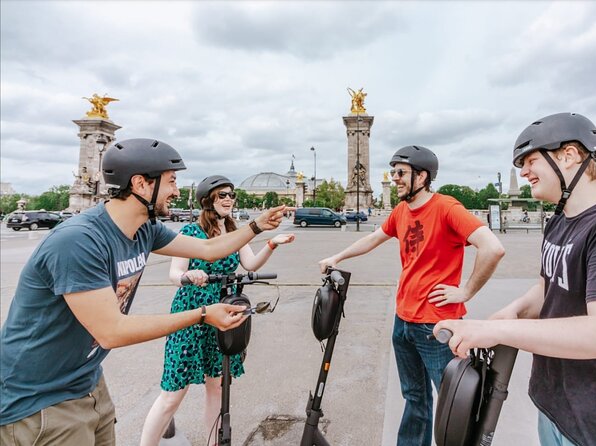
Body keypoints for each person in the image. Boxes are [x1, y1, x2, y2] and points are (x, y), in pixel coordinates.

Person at [0, 139, 290, 445]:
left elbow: (208, 248)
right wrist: (202, 315)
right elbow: (112, 331)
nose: (177, 192)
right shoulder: (79, 241)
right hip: (39, 399)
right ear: (141, 184)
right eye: (172, 181)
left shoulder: (144, 230)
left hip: (86, 380)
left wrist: (257, 226)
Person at [434, 113, 596, 446]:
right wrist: (512, 312)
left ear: (569, 155)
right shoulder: (559, 222)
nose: (523, 172)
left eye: (530, 160)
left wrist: (498, 331)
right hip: (559, 409)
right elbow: (550, 288)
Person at [319, 145, 505, 446]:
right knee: (414, 398)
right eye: (393, 173)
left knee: (455, 406)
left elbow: (493, 247)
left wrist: (466, 290)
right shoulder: (401, 210)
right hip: (403, 321)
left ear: (422, 176)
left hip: (436, 326)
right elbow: (373, 238)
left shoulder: (447, 207)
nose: (395, 178)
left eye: (401, 173)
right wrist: (337, 257)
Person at [140, 175, 295, 445]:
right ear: (207, 200)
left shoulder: (235, 232)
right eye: (222, 195)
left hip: (222, 310)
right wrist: (191, 275)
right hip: (192, 310)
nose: (228, 199)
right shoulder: (191, 231)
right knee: (174, 391)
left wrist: (272, 243)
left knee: (217, 385)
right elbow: (175, 274)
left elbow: (251, 264)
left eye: (231, 195)